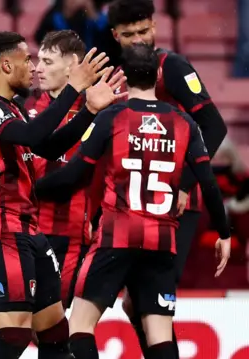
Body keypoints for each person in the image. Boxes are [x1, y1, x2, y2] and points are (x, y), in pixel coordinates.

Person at [33, 43, 232, 359]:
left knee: (79, 328)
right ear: (159, 74)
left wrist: (32, 190)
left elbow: (74, 176)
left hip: (116, 237)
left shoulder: (113, 117)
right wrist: (224, 232)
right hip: (162, 240)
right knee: (159, 335)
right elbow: (208, 184)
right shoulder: (185, 123)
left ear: (123, 76)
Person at [0, 30, 125, 310]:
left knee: (55, 329)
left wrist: (90, 110)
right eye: (36, 60)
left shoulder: (97, 108)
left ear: (71, 66)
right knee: (29, 330)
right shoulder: (27, 106)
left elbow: (66, 167)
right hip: (22, 226)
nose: (38, 68)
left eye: (47, 61)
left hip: (67, 232)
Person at [106, 0, 229, 356]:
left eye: (144, 31)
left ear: (155, 26)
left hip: (175, 202)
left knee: (151, 303)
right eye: (128, 35)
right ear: (115, 36)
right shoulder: (116, 75)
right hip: (132, 206)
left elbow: (214, 126)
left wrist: (185, 184)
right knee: (135, 304)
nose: (138, 40)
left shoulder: (171, 67)